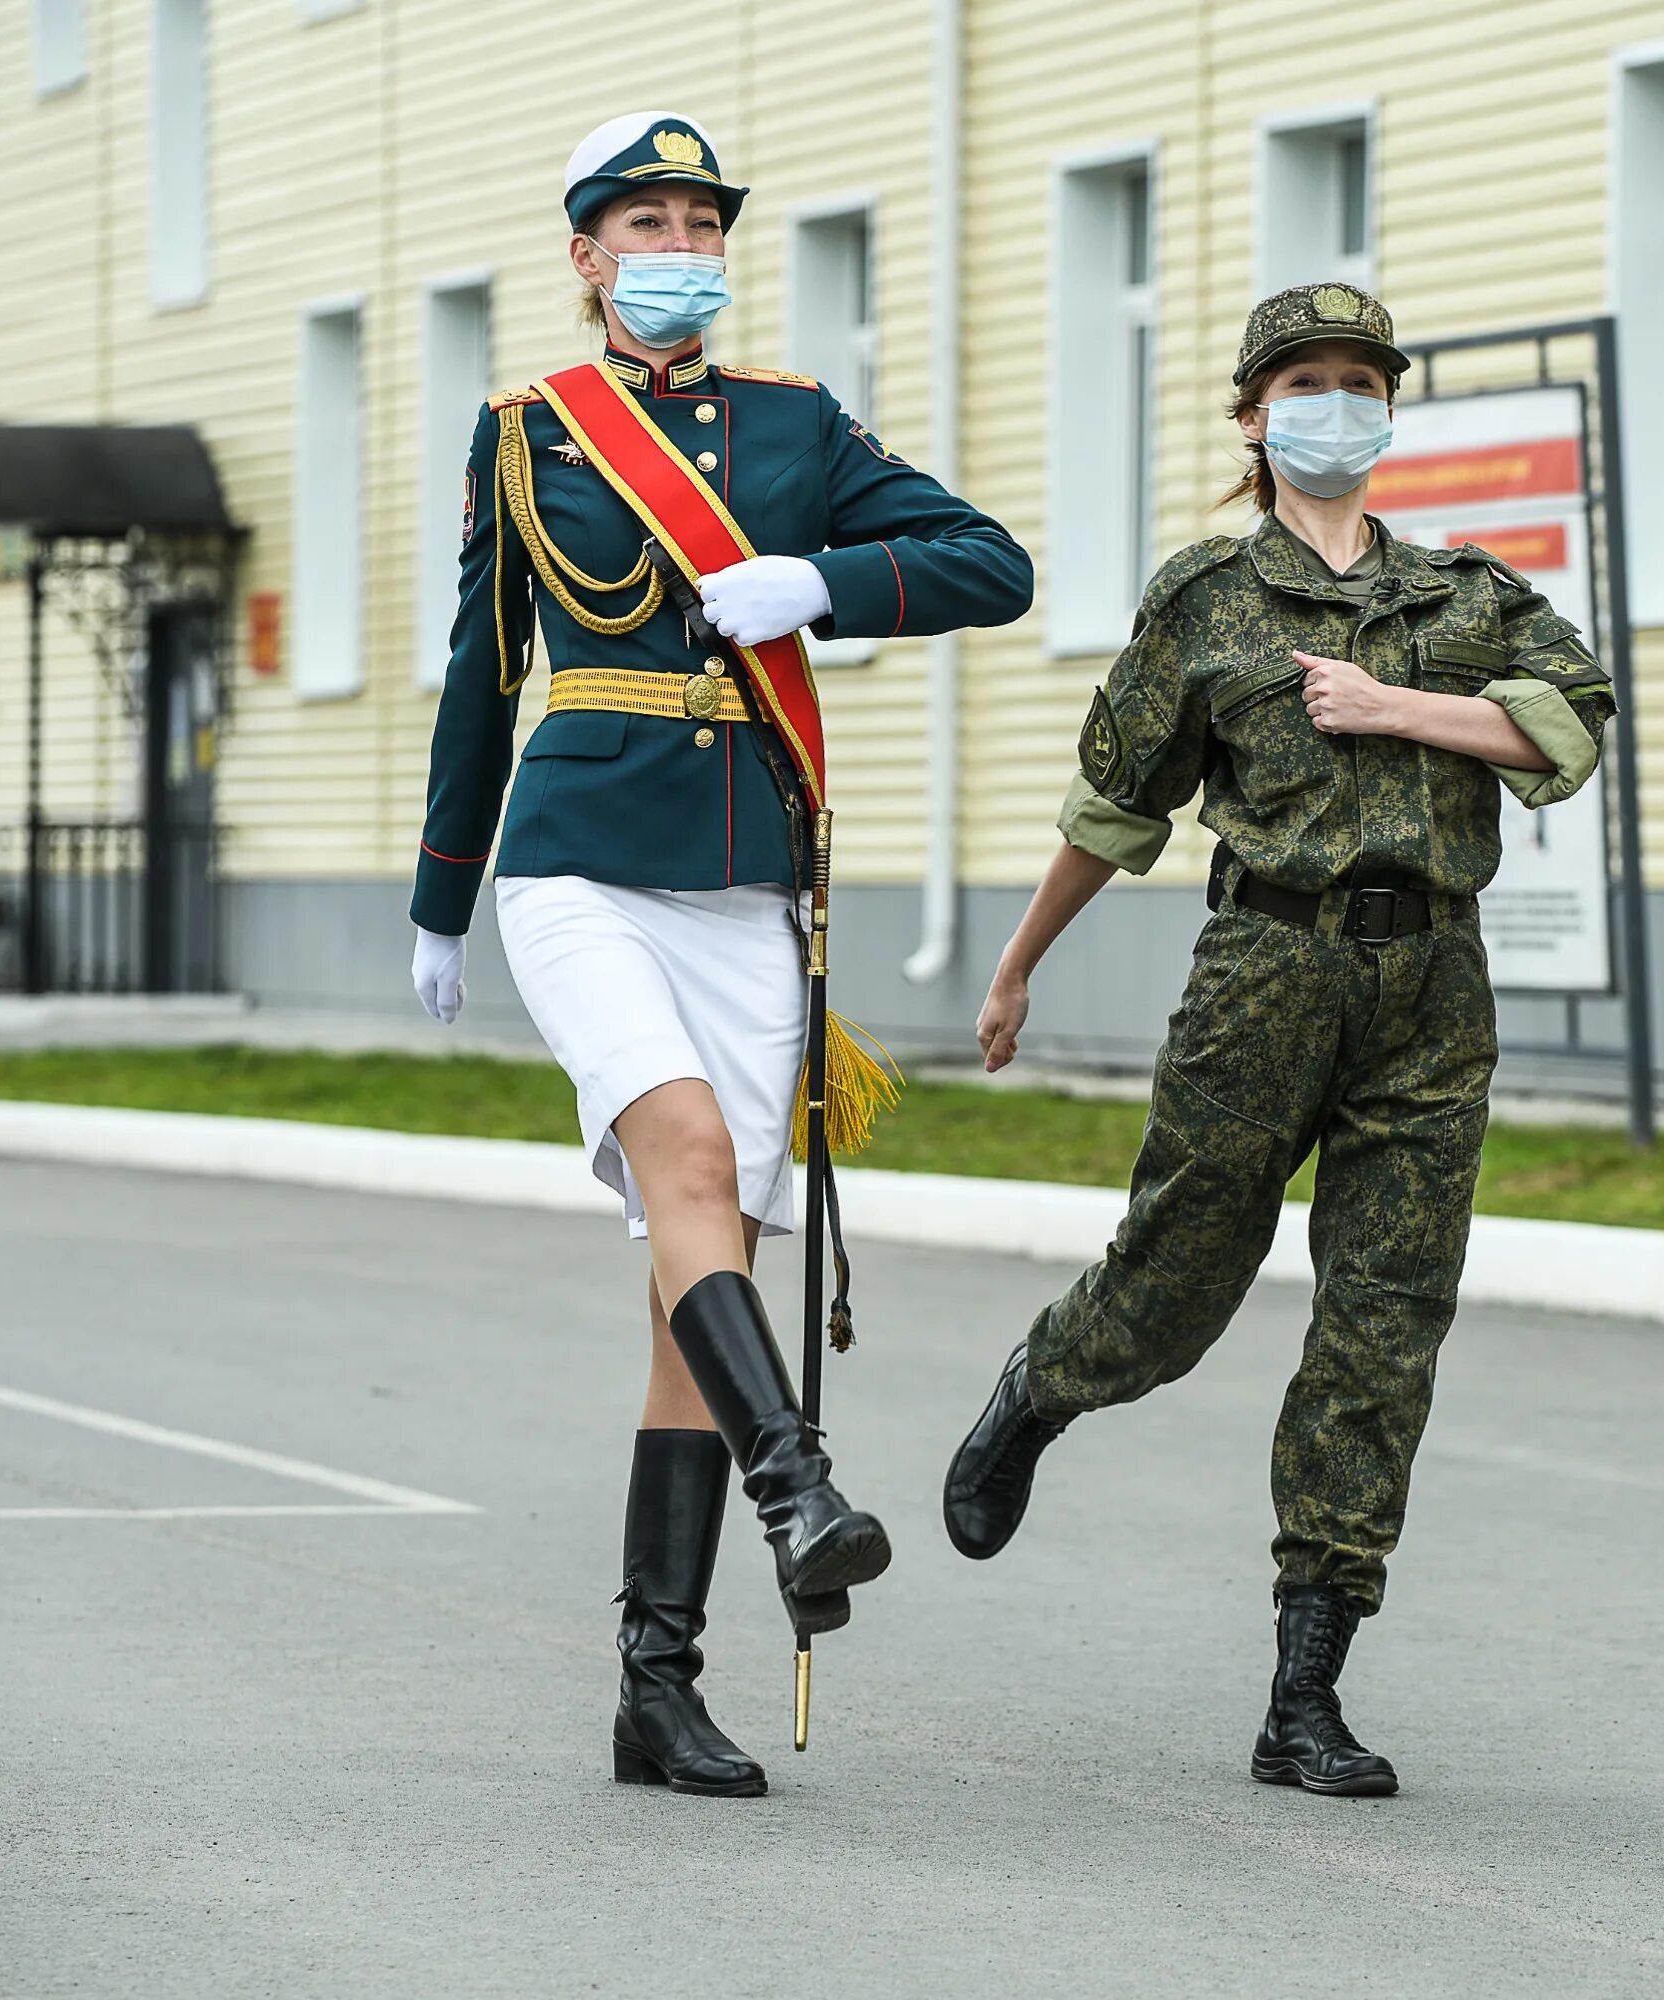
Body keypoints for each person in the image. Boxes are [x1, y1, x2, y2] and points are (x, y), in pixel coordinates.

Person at [410, 112, 1032, 1798]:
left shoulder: (794, 427)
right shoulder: (527, 432)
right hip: (576, 860)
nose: (679, 241)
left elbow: (996, 566)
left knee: (703, 1270)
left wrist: (812, 583)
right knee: (683, 1153)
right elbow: (486, 664)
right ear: (588, 255)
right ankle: (798, 1484)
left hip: (751, 876)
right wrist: (441, 889)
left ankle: (654, 1688)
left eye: (702, 218)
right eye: (647, 220)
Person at [944, 283, 1615, 1797]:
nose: (1334, 406)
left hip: (1432, 983)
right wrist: (1013, 968)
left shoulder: (1466, 596)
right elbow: (1116, 807)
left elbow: (1570, 726)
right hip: (1266, 968)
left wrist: (1398, 708)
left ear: (1389, 408)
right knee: (1177, 1285)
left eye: (1359, 381)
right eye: (1302, 383)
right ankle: (1046, 1385)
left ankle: (1304, 1694)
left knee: (1385, 1326)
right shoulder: (1205, 600)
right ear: (1253, 417)